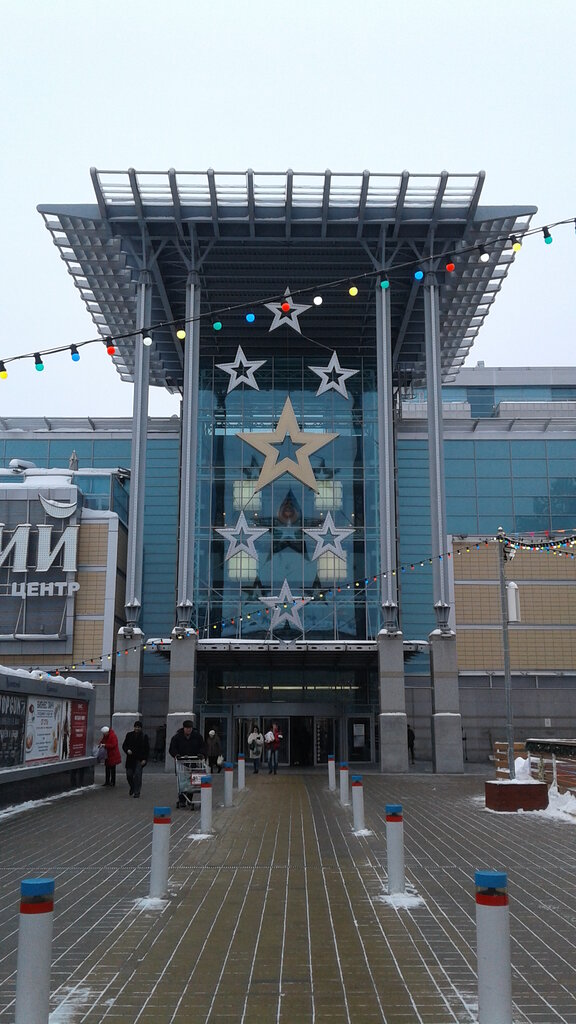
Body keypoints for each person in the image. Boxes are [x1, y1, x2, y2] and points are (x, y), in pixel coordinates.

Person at [169, 719, 206, 808]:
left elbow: (203, 747)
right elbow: (172, 748)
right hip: (182, 763)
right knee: (182, 781)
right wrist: (176, 755)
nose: (188, 730)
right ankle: (182, 799)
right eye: (187, 728)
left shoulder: (197, 737)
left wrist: (201, 754)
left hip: (194, 762)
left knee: (192, 782)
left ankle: (189, 799)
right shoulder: (177, 737)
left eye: (190, 728)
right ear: (184, 728)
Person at [122, 720, 150, 798]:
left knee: (138, 776)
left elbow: (147, 749)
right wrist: (127, 750)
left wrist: (145, 759)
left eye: (138, 727)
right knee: (129, 775)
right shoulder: (129, 735)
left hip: (139, 759)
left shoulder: (144, 736)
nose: (137, 728)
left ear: (141, 728)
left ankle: (137, 792)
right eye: (135, 727)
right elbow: (124, 745)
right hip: (130, 759)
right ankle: (132, 786)